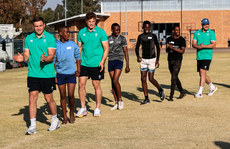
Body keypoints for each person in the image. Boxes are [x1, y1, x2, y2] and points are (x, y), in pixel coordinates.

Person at [13, 17, 60, 135]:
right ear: (33, 27)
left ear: (44, 25)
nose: (38, 28)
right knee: (32, 97)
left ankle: (55, 119)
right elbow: (26, 55)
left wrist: (45, 59)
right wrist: (22, 59)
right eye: (36, 26)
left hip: (47, 74)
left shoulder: (50, 38)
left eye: (40, 25)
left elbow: (51, 55)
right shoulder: (29, 38)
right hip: (33, 74)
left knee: (48, 99)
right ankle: (32, 126)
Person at [76, 12, 109, 117]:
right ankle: (83, 108)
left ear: (96, 21)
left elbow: (106, 48)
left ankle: (97, 108)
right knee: (81, 84)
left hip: (97, 64)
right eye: (89, 21)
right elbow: (79, 48)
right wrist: (77, 62)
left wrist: (102, 61)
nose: (91, 23)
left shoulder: (101, 32)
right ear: (86, 21)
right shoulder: (81, 33)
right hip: (84, 63)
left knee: (96, 85)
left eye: (93, 21)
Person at [53, 26, 81, 124]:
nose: (68, 34)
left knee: (71, 95)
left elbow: (78, 57)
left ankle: (71, 113)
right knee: (63, 96)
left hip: (71, 74)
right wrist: (54, 75)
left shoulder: (73, 44)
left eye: (69, 32)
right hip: (60, 74)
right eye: (66, 32)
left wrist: (78, 70)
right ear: (60, 33)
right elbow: (53, 61)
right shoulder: (55, 45)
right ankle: (64, 116)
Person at [135, 20, 165, 104]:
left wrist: (157, 60)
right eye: (145, 27)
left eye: (148, 27)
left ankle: (160, 89)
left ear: (150, 28)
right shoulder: (140, 36)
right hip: (144, 60)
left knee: (151, 79)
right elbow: (137, 48)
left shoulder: (153, 36)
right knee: (143, 79)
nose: (147, 28)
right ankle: (146, 98)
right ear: (143, 27)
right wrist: (138, 56)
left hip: (152, 60)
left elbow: (158, 48)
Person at [192, 18, 217, 98]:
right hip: (199, 56)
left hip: (207, 56)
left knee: (202, 72)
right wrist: (198, 46)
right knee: (202, 74)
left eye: (208, 24)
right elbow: (193, 44)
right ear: (202, 25)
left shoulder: (211, 33)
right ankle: (212, 87)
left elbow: (213, 45)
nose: (207, 25)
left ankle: (200, 92)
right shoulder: (197, 33)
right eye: (205, 24)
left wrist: (203, 46)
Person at [108, 23, 130, 110]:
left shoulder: (122, 39)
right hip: (110, 61)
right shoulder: (108, 38)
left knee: (115, 80)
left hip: (119, 60)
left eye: (118, 30)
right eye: (115, 30)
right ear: (112, 30)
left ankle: (120, 100)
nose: (117, 32)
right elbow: (105, 50)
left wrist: (127, 65)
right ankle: (116, 102)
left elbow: (126, 52)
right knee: (112, 82)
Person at [166, 26, 186, 101]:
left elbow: (182, 51)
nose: (178, 31)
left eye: (178, 30)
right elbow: (167, 51)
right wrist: (168, 48)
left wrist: (173, 48)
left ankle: (171, 96)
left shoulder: (182, 40)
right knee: (175, 77)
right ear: (173, 31)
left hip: (178, 60)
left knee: (173, 78)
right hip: (170, 60)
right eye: (176, 30)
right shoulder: (169, 39)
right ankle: (182, 91)